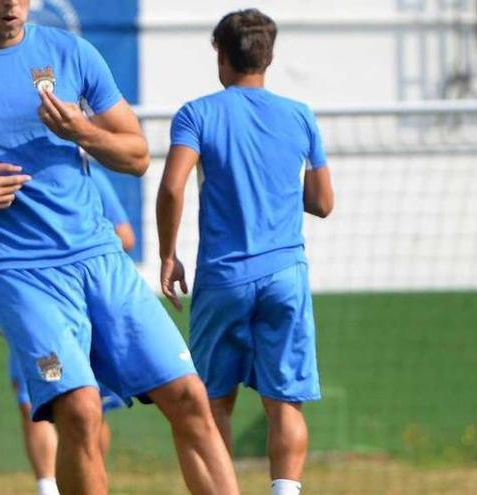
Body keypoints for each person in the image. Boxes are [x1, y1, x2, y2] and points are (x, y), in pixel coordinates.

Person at [0, 1, 239, 493]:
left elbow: (138, 155)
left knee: (188, 396)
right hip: (18, 269)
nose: (13, 4)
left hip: (100, 258)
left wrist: (83, 131)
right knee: (80, 409)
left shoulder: (72, 53)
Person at [155, 9, 334, 495]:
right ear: (269, 56)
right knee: (285, 402)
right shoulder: (300, 115)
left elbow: (172, 188)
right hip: (285, 274)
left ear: (220, 52)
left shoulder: (198, 114)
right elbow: (322, 202)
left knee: (213, 402)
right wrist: (275, 190)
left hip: (224, 277)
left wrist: (168, 254)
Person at [0, 170, 133, 495]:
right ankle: (47, 487)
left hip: (84, 314)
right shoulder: (11, 178)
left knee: (90, 406)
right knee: (37, 399)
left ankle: (90, 476)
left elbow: (125, 235)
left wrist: (75, 244)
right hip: (34, 313)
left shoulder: (85, 172)